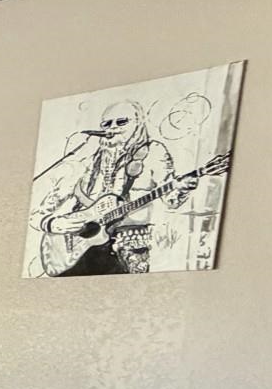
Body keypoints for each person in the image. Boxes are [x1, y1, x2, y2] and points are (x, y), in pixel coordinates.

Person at [33, 100, 198, 275]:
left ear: (138, 124)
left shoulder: (153, 152)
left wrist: (183, 188)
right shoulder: (86, 161)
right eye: (106, 123)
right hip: (79, 249)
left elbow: (171, 201)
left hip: (129, 245)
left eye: (121, 122)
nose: (112, 127)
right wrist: (53, 223)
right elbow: (39, 210)